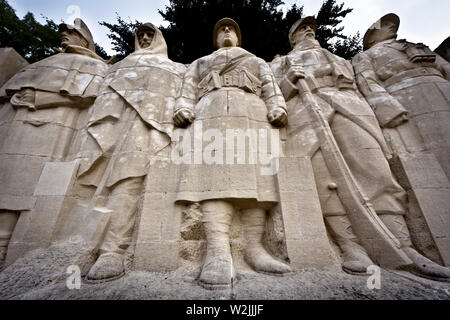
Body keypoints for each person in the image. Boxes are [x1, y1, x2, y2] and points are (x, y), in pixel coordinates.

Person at [270, 16, 450, 282]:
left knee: (377, 172)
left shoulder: (343, 59)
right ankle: (351, 247)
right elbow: (272, 95)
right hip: (305, 114)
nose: (308, 30)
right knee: (323, 179)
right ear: (293, 38)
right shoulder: (279, 62)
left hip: (351, 108)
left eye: (311, 27)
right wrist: (288, 82)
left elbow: (362, 84)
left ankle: (407, 248)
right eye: (301, 29)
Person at [173, 18, 291, 289]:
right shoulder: (200, 62)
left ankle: (253, 247)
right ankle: (217, 251)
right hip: (211, 109)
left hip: (252, 110)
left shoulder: (256, 60)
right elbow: (187, 88)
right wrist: (182, 106)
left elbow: (270, 85)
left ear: (238, 37)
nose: (226, 31)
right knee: (214, 177)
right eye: (221, 30)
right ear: (215, 38)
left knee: (259, 181)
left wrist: (278, 106)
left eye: (231, 29)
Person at [0, 19, 109, 267]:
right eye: (63, 32)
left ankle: (6, 246)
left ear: (85, 39)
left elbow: (87, 94)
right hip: (13, 126)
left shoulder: (91, 64)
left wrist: (39, 97)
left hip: (49, 129)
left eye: (72, 32)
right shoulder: (44, 62)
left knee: (22, 184)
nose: (65, 35)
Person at [353, 13, 450, 179]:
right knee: (435, 144)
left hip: (441, 85)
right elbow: (367, 81)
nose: (391, 26)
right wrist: (387, 109)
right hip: (404, 94)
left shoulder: (417, 46)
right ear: (371, 39)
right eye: (384, 25)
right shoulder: (366, 55)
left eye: (392, 24)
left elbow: (445, 67)